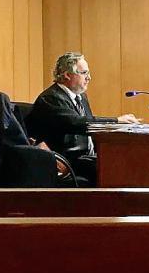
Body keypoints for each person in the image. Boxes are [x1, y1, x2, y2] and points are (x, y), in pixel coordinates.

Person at [27, 52, 140, 186]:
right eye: (84, 73)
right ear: (67, 75)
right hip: (67, 160)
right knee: (114, 167)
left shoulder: (81, 97)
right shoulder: (51, 98)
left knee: (124, 160)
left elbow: (89, 127)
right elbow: (77, 123)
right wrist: (116, 121)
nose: (89, 78)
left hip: (85, 157)